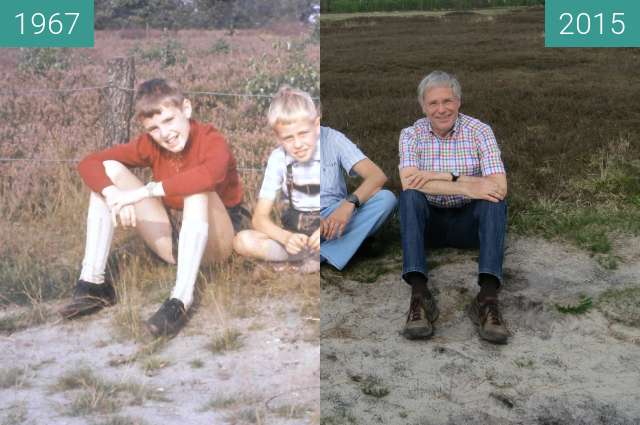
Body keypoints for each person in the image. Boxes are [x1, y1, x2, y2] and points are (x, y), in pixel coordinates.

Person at [60, 79, 250, 337]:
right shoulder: (150, 144)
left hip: (220, 240)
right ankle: (93, 284)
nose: (165, 133)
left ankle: (180, 300)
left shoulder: (210, 138)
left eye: (170, 120)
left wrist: (143, 192)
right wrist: (115, 195)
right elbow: (89, 162)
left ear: (187, 109)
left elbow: (210, 175)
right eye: (154, 128)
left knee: (196, 187)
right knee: (109, 171)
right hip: (177, 241)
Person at [398, 70, 509, 344]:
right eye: (433, 103)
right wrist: (468, 184)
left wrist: (446, 177)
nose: (441, 109)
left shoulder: (480, 131)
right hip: (429, 227)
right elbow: (409, 182)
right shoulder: (411, 134)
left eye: (447, 101)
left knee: (494, 201)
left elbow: (498, 186)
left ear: (458, 102)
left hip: (469, 224)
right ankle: (420, 296)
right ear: (423, 106)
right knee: (410, 197)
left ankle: (487, 297)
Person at [233, 86, 320, 272]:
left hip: (331, 229)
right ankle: (310, 260)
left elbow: (345, 205)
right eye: (288, 138)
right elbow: (259, 218)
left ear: (317, 126)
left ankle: (303, 263)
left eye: (303, 133)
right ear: (278, 137)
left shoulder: (330, 149)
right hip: (299, 237)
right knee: (243, 241)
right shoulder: (278, 158)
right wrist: (286, 238)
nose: (297, 144)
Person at [320, 127, 396, 270]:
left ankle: (322, 253)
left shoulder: (332, 138)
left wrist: (349, 204)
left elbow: (377, 176)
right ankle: (348, 246)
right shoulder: (282, 142)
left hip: (336, 217)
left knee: (386, 199)